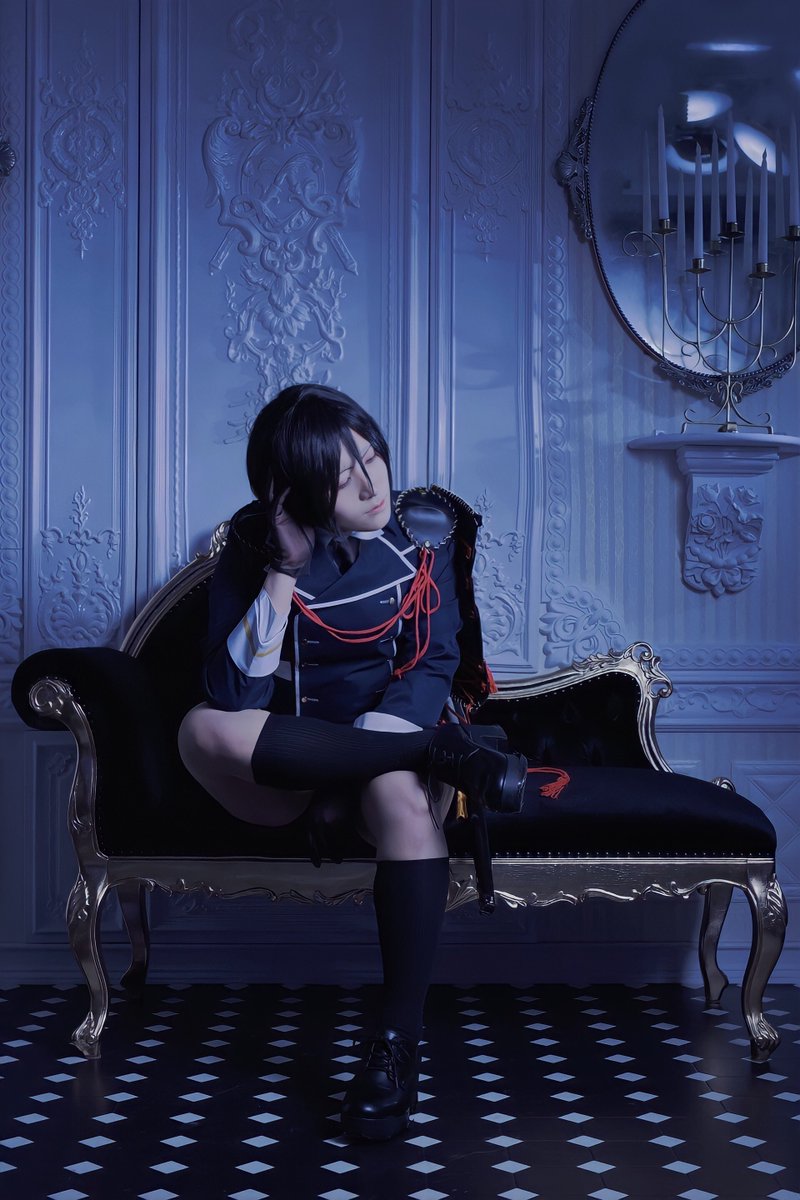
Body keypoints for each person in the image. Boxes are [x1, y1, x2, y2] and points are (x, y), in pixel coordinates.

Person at [178, 383, 527, 1141]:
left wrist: (370, 756)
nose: (373, 484)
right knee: (198, 730)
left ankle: (395, 1047)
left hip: (383, 761)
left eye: (372, 456)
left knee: (397, 797)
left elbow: (433, 665)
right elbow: (232, 694)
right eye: (343, 476)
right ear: (298, 491)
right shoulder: (256, 541)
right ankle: (434, 752)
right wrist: (284, 569)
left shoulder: (422, 536)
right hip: (291, 766)